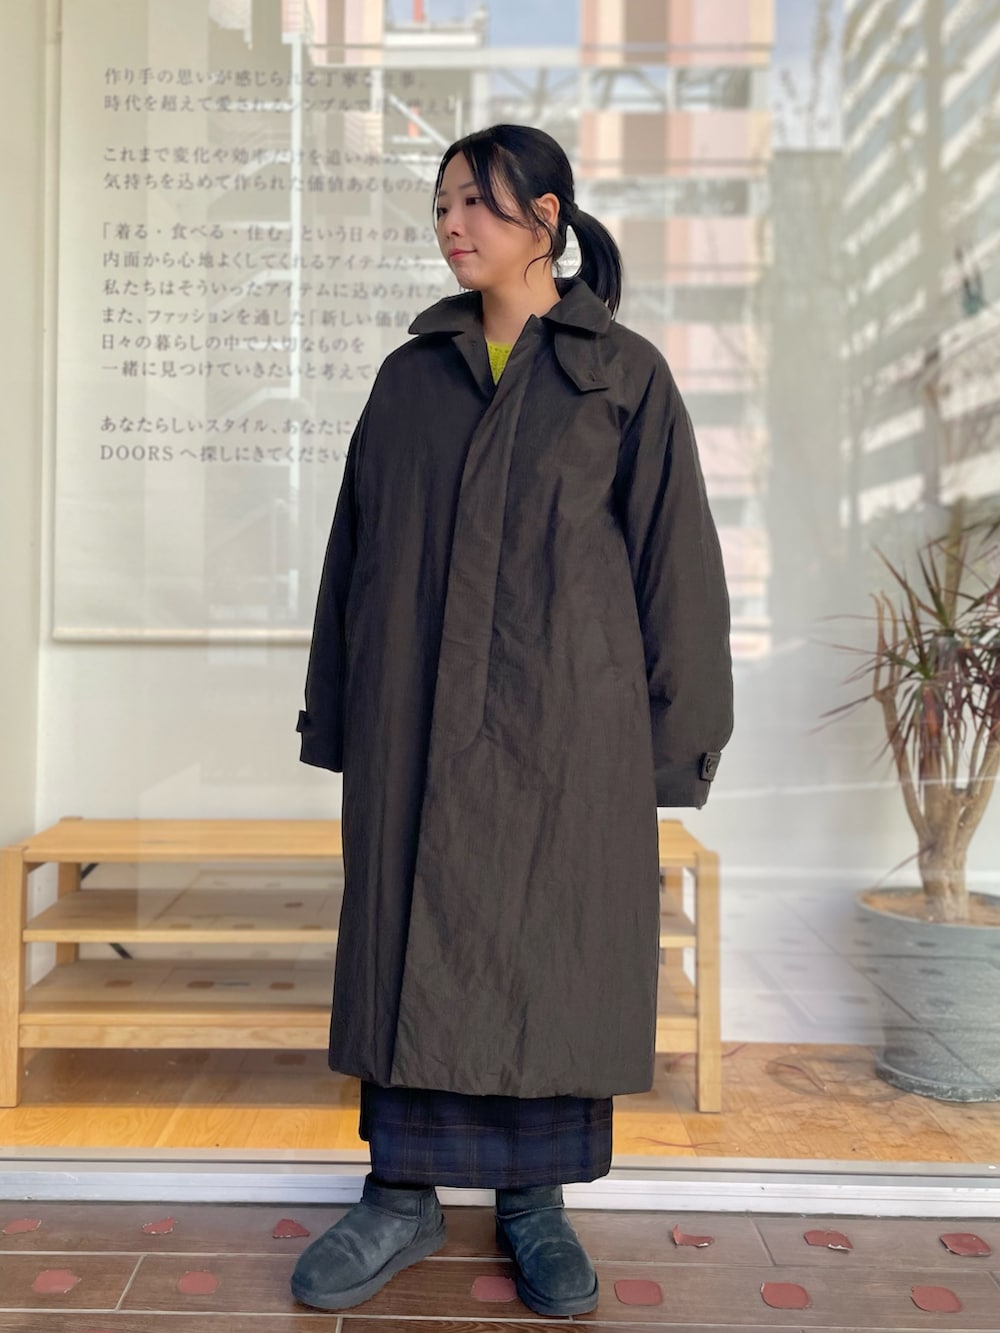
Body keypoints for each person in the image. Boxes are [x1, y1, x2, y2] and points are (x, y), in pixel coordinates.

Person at [291, 123, 733, 1315]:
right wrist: (338, 715)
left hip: (568, 737)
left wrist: (673, 744)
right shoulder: (409, 379)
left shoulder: (623, 377)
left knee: (550, 954)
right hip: (412, 724)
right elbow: (351, 560)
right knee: (407, 938)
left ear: (546, 219)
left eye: (477, 204)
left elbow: (678, 574)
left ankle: (534, 1201)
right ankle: (400, 1192)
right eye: (441, 204)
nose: (451, 225)